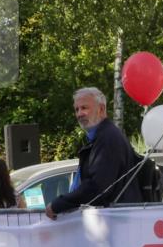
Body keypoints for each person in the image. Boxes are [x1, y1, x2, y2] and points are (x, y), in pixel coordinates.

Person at [46, 87, 142, 219]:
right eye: (76, 109)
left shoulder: (107, 138)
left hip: (115, 222)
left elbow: (96, 187)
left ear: (101, 109)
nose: (79, 114)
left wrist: (58, 205)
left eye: (84, 108)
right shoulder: (101, 136)